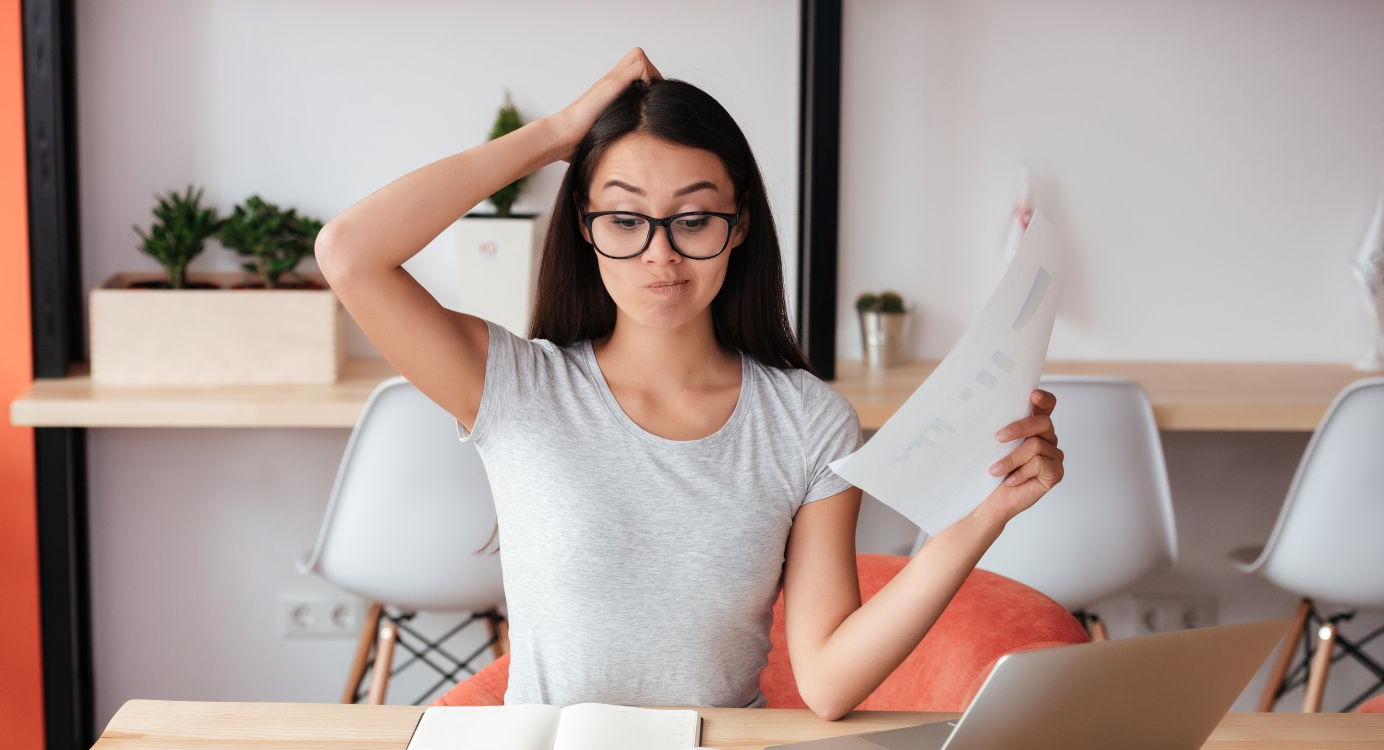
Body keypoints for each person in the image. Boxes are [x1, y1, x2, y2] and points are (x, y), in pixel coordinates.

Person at [315, 48, 1064, 721]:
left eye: (695, 218)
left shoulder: (807, 421)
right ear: (584, 224)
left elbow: (831, 680)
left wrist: (982, 514)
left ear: (738, 225)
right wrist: (556, 135)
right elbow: (349, 253)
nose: (660, 255)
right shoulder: (516, 387)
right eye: (625, 218)